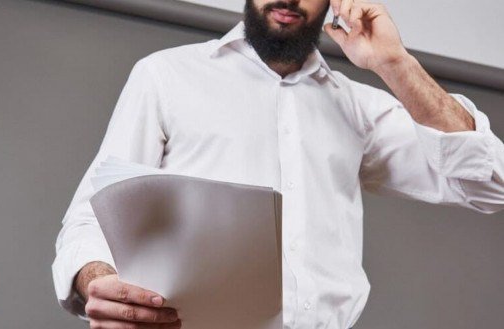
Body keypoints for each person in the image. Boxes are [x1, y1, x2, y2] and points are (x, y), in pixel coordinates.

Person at [52, 0, 504, 328]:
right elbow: (91, 215)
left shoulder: (359, 108)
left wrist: (394, 63)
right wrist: (99, 280)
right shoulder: (165, 76)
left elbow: (487, 185)